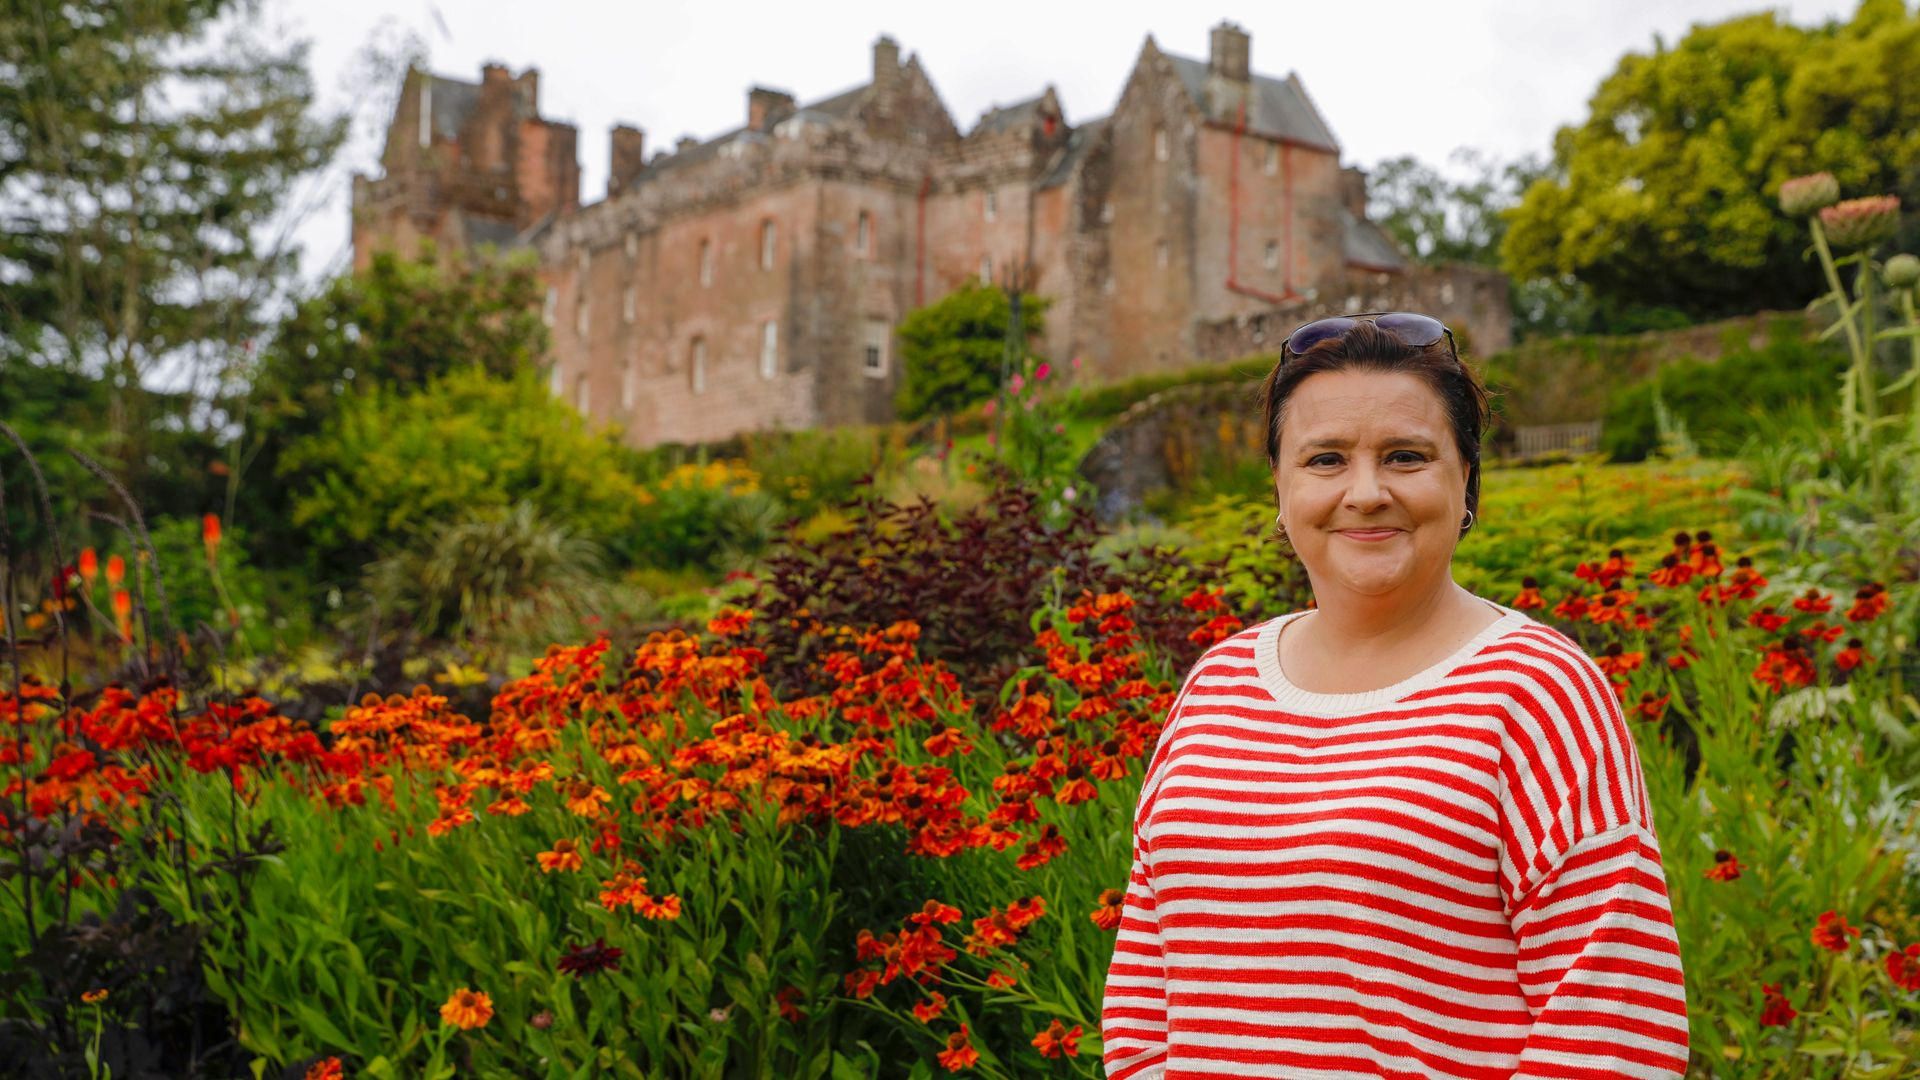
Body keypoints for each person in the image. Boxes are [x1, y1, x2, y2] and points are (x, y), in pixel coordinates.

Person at [1099, 313, 1689, 1079]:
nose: (1366, 492)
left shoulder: (1536, 689)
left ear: (1466, 481)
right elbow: (1146, 994)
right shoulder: (1218, 681)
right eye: (1326, 459)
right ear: (1280, 487)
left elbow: (1615, 1028)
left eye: (1406, 456)